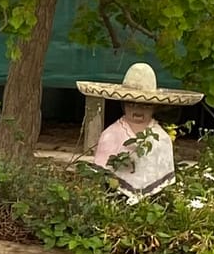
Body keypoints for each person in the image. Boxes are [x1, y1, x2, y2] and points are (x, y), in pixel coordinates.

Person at [77, 61, 204, 200]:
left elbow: (164, 173)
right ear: (123, 105)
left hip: (154, 199)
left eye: (145, 106)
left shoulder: (162, 138)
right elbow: (101, 171)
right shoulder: (110, 134)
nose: (138, 110)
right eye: (132, 105)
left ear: (154, 107)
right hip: (114, 196)